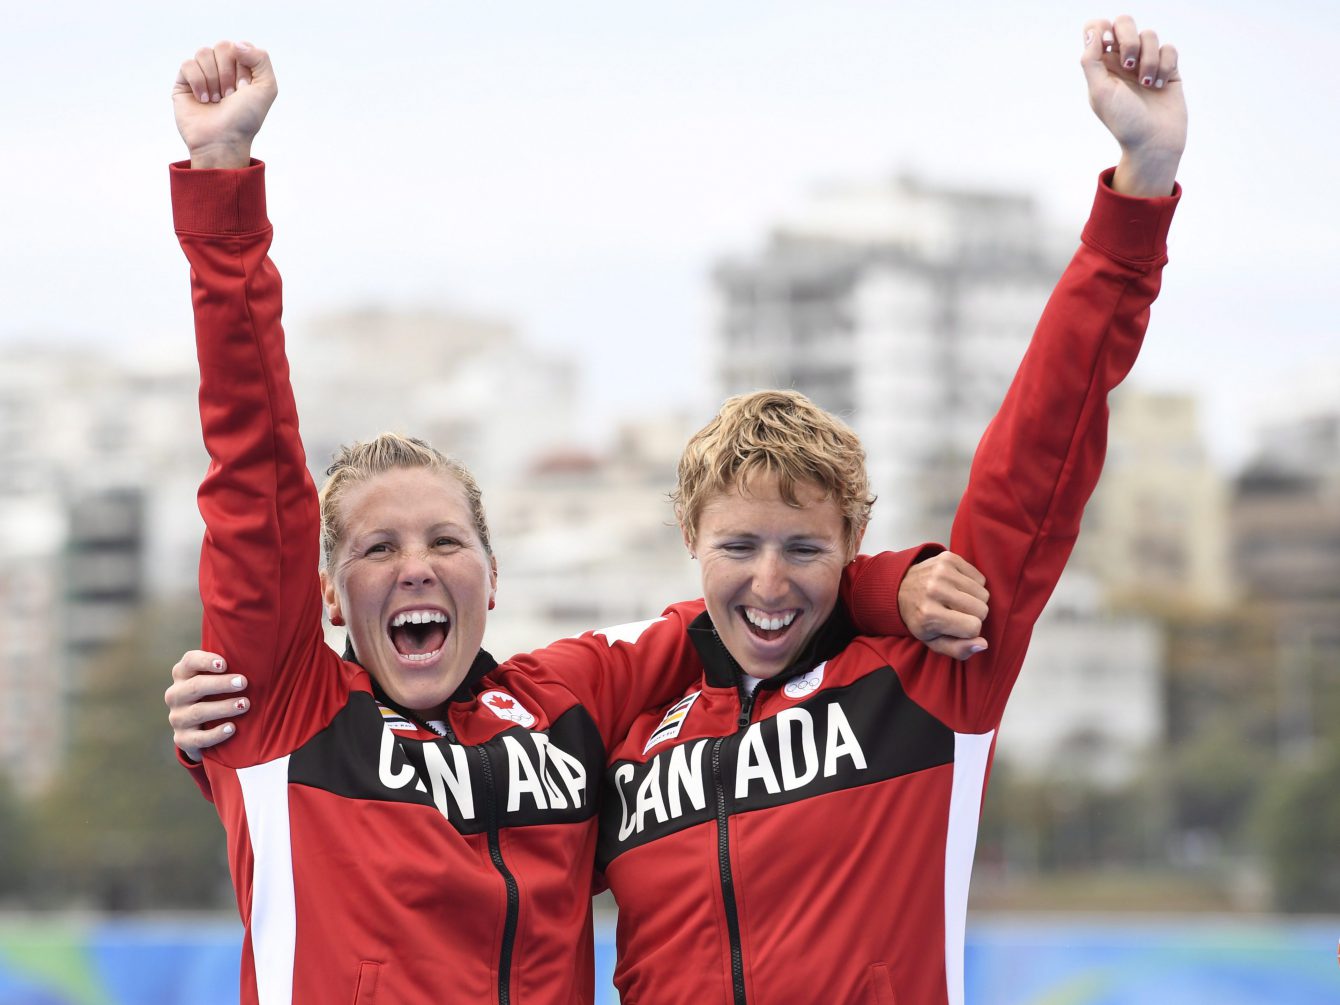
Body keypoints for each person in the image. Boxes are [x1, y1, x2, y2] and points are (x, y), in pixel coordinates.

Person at [165, 37, 991, 1005]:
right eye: (378, 548)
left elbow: (758, 603)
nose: (416, 565)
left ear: (493, 577)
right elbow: (253, 469)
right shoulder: (291, 712)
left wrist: (885, 583)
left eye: (445, 541)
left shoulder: (566, 699)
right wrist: (221, 181)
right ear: (330, 599)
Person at [590, 15, 1185, 1005]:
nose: (769, 583)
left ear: (855, 542)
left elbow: (1041, 446)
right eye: (738, 545)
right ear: (689, 537)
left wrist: (1141, 185)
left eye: (804, 548)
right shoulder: (627, 728)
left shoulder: (936, 669)